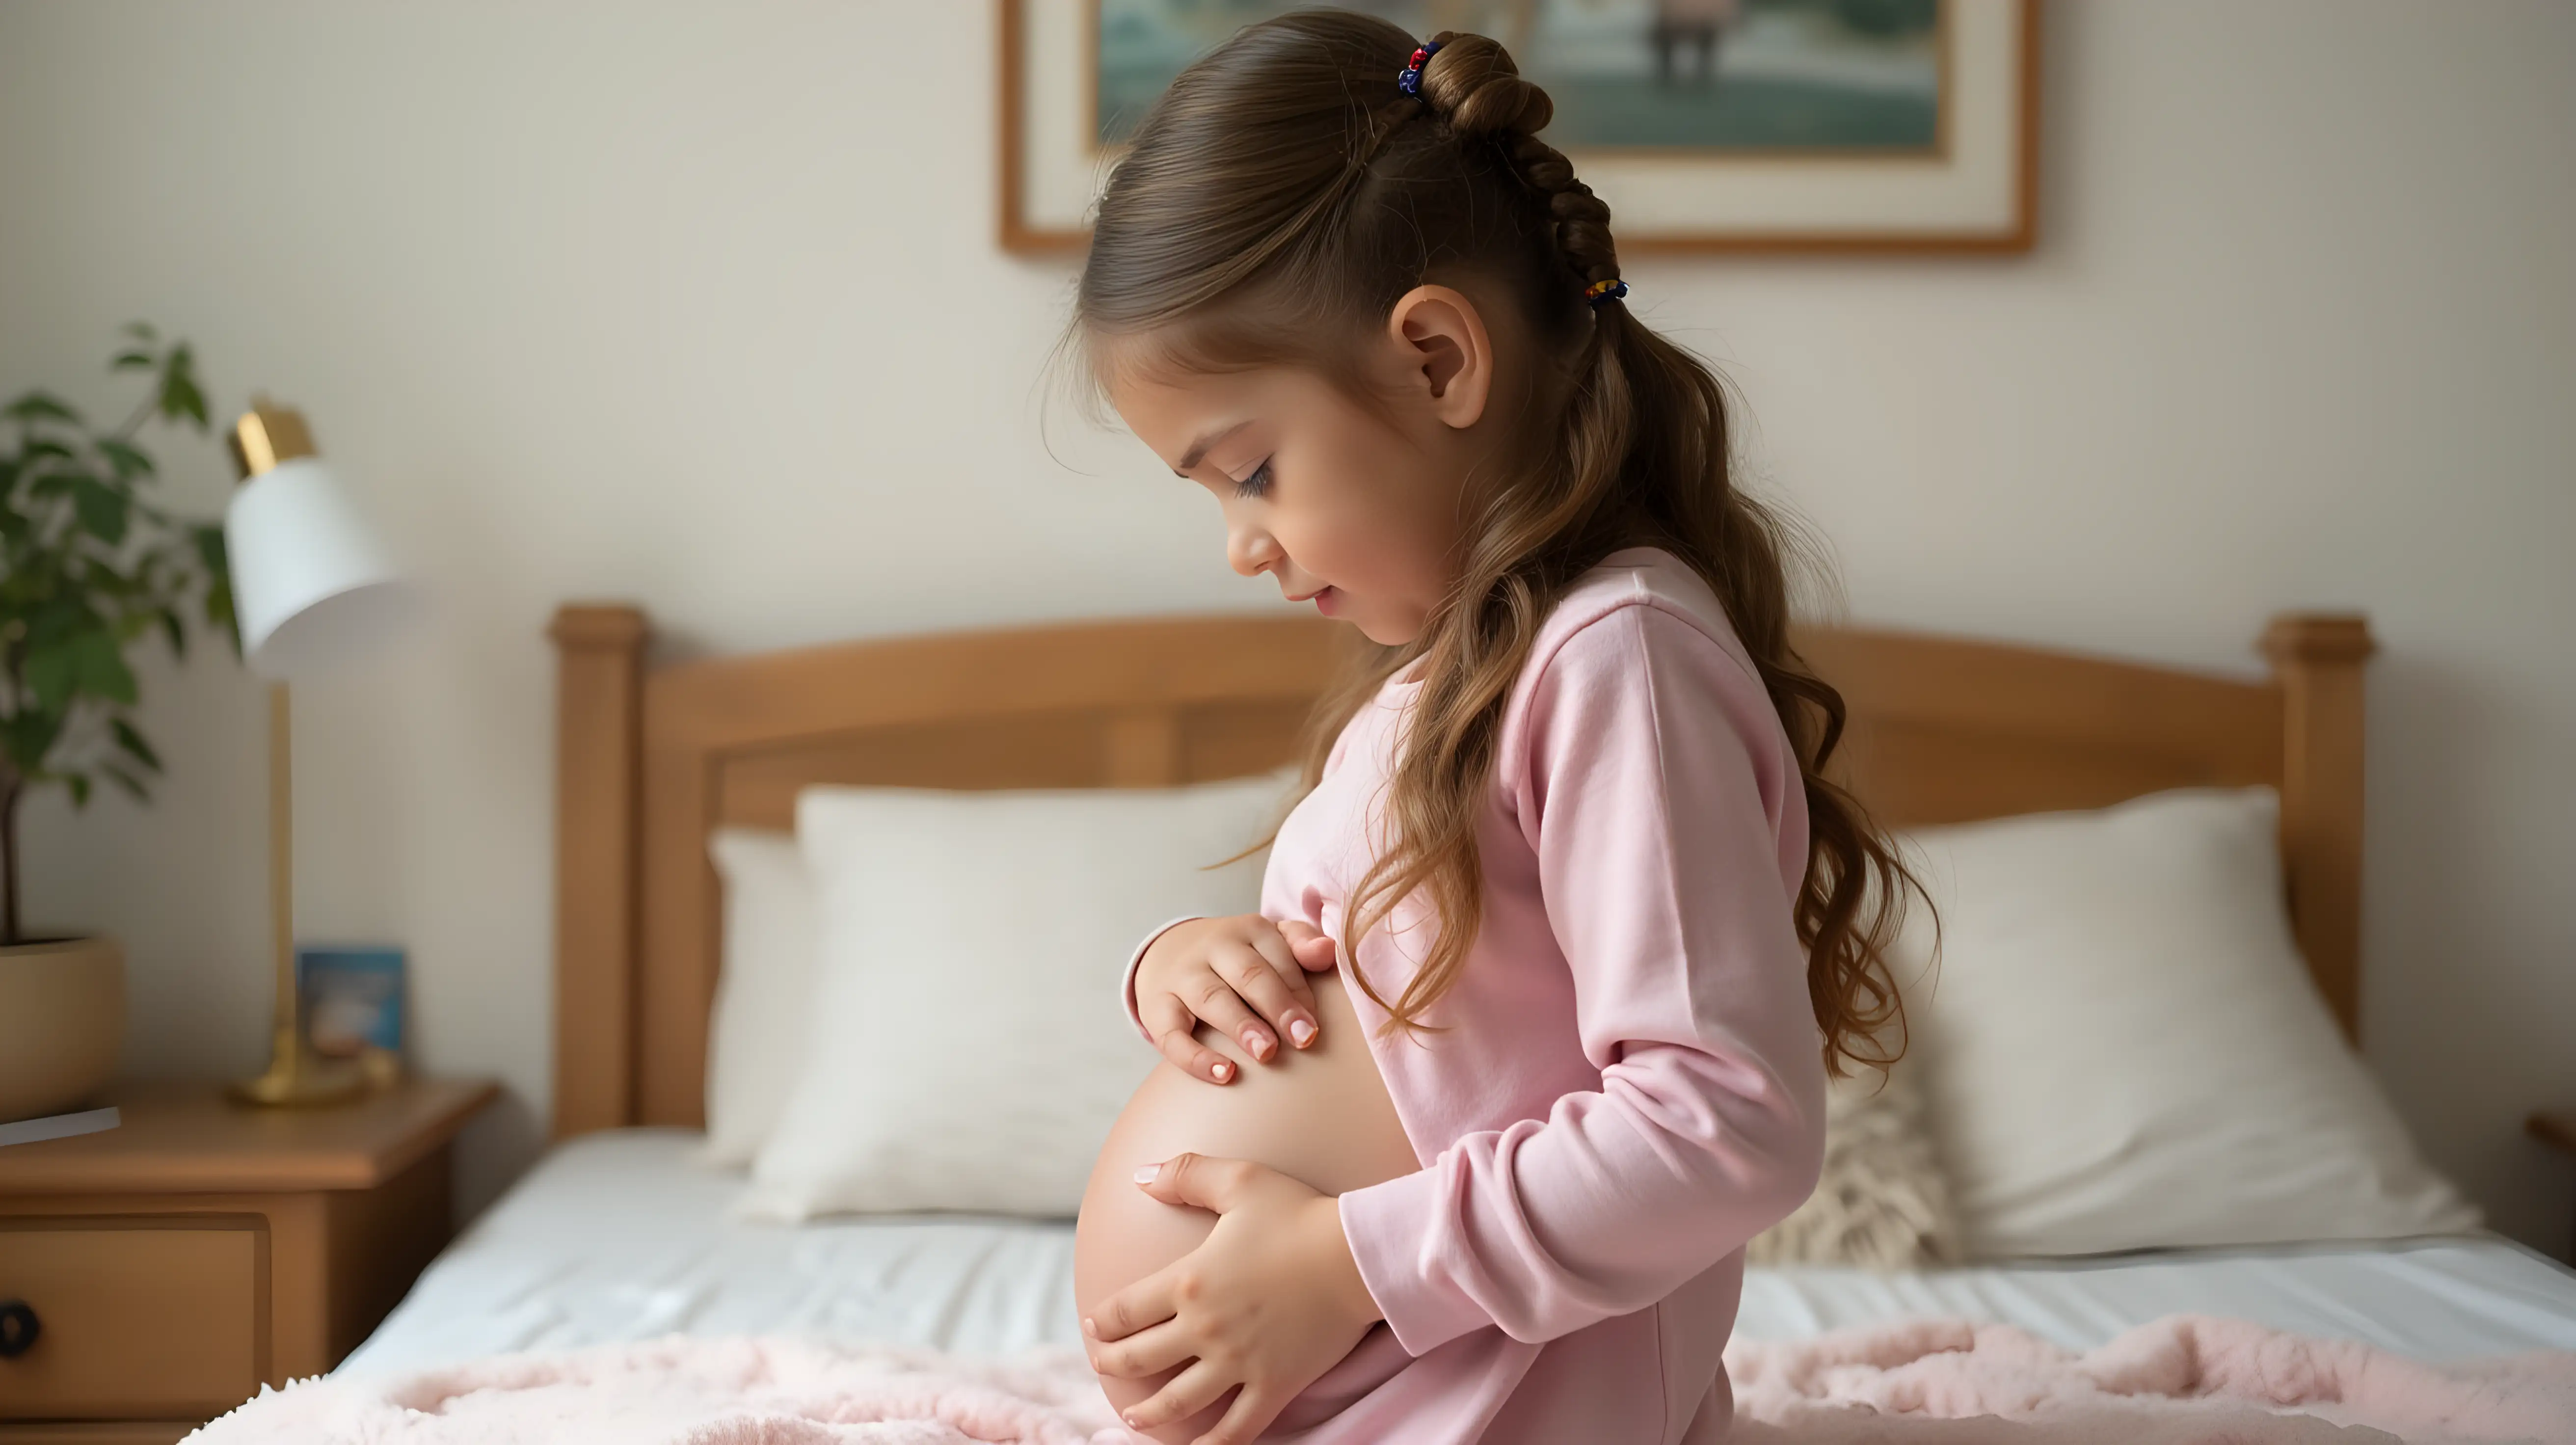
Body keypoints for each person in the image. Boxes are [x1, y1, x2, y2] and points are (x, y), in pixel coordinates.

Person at [1068, 13, 1923, 1443]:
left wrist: (1349, 1263)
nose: (1242, 546)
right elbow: (1394, 1013)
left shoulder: (1618, 658)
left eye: (1256, 472)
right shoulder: (1454, 676)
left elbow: (1723, 1122)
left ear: (1438, 359)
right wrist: (1193, 967)